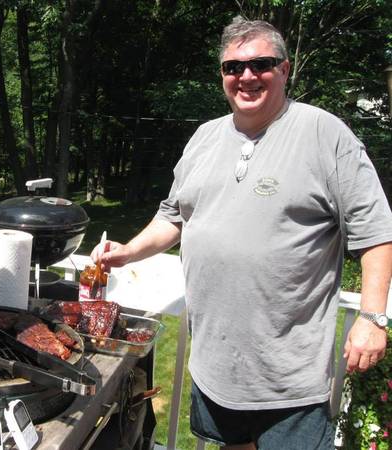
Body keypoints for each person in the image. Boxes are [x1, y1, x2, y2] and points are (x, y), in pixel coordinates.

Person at [91, 18, 392, 450]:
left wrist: (371, 318)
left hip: (289, 374)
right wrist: (129, 251)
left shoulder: (326, 135)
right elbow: (173, 216)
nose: (246, 76)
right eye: (233, 67)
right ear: (223, 77)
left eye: (260, 64)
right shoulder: (204, 137)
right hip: (216, 364)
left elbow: (377, 232)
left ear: (284, 69)